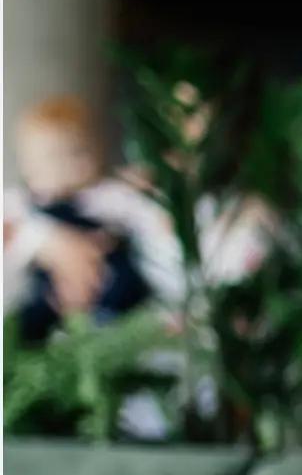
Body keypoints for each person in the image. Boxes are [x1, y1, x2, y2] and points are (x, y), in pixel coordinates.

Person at [2, 95, 178, 343]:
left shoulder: (103, 194)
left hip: (111, 280)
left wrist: (160, 218)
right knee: (29, 316)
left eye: (79, 153)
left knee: (131, 287)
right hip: (53, 292)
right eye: (52, 158)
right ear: (28, 167)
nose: (71, 167)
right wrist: (47, 241)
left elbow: (140, 211)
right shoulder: (21, 201)